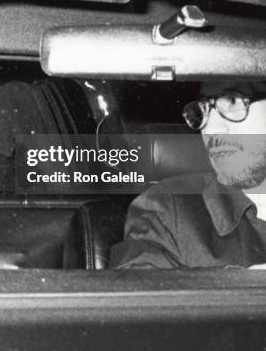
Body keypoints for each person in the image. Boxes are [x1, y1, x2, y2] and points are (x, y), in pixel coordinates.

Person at [112, 81, 266, 269]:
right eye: (205, 109)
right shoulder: (168, 211)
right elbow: (137, 294)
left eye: (232, 101)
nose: (210, 129)